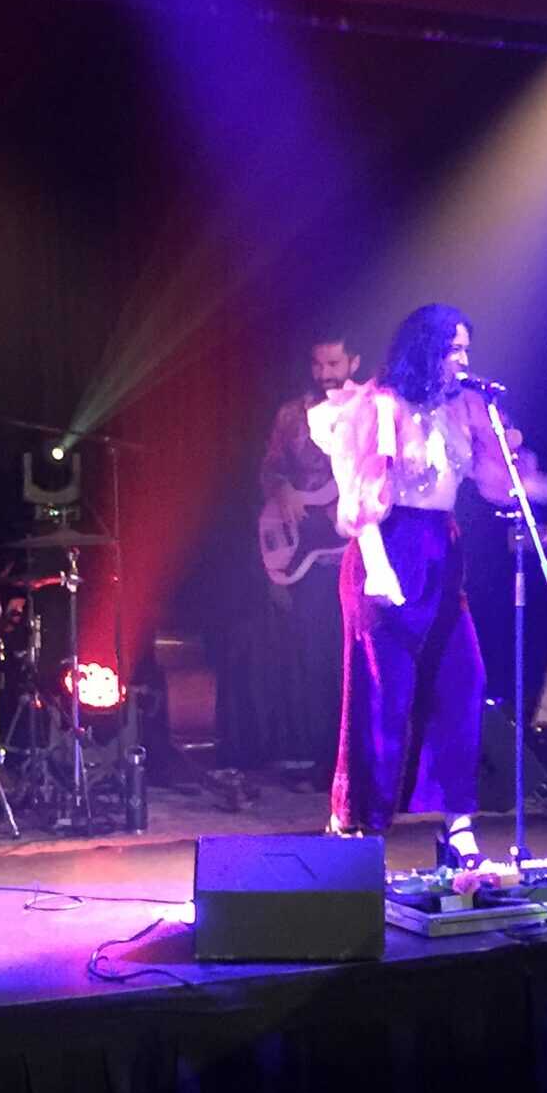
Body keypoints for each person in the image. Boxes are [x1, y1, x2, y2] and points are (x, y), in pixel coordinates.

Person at [306, 304, 547, 865]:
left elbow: (499, 480)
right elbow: (360, 498)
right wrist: (379, 568)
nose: (462, 360)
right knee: (384, 696)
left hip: (441, 555)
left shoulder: (465, 408)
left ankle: (457, 824)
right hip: (388, 549)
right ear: (425, 350)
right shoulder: (382, 406)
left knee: (463, 684)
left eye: (465, 350)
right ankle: (361, 826)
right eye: (454, 349)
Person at [256, 330, 363, 775]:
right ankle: (325, 763)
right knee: (317, 659)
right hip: (311, 557)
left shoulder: (370, 410)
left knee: (360, 659)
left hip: (360, 551)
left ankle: (363, 761)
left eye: (333, 364)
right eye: (318, 365)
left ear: (354, 362)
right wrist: (284, 491)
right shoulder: (293, 414)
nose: (324, 374)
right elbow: (270, 468)